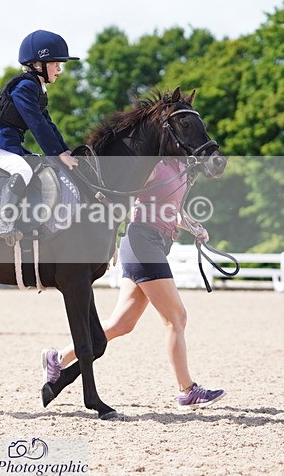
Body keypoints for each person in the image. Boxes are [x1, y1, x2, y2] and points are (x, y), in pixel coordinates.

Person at [41, 159, 226, 410]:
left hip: (153, 244)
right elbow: (126, 196)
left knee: (122, 324)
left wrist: (194, 228)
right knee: (176, 317)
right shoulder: (153, 166)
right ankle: (187, 390)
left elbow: (170, 209)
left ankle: (58, 358)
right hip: (142, 242)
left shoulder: (179, 169)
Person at [0, 30, 80, 245]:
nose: (60, 70)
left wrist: (64, 151)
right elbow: (36, 123)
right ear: (38, 64)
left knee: (41, 166)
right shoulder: (25, 86)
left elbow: (48, 123)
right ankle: (2, 223)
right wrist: (58, 152)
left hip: (10, 145)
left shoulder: (37, 88)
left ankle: (31, 223)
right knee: (22, 169)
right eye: (56, 64)